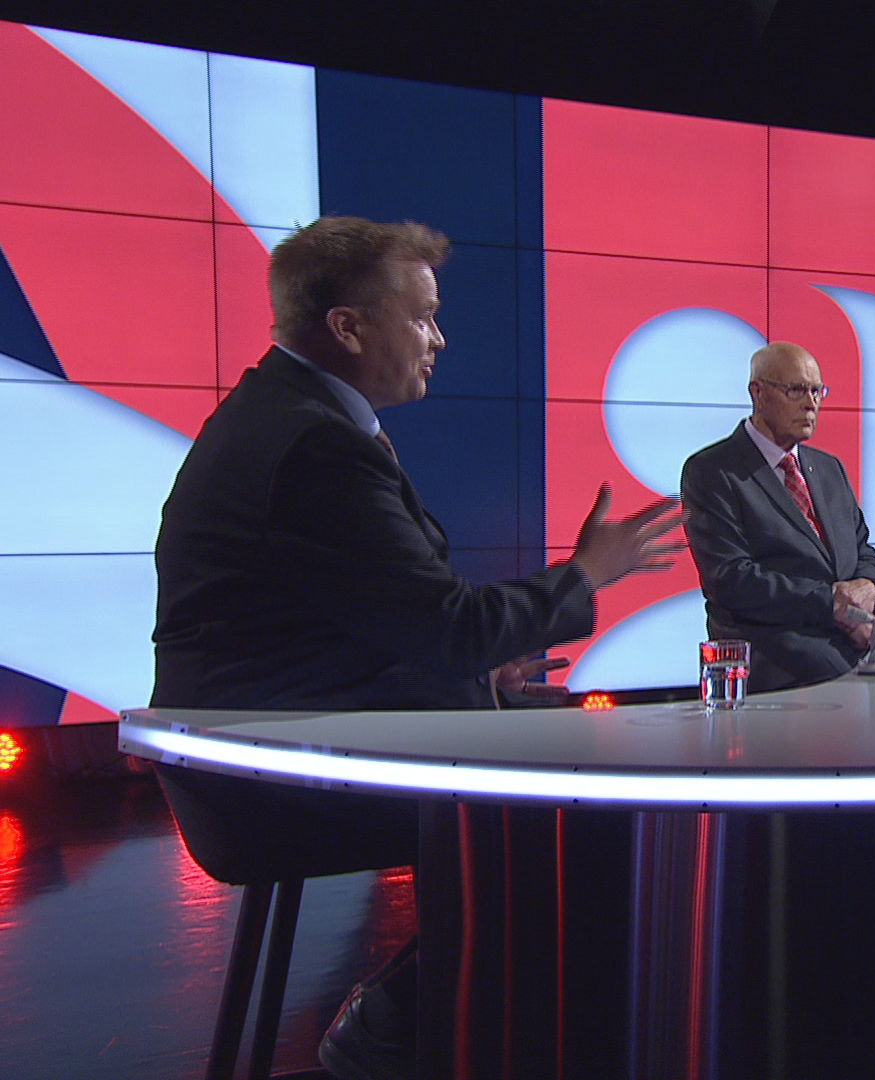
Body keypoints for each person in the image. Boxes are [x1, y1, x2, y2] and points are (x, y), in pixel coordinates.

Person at [150, 216, 684, 1080]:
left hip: (274, 747)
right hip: (272, 781)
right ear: (349, 327)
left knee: (567, 791)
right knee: (588, 813)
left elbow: (367, 621)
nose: (439, 339)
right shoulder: (314, 445)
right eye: (423, 317)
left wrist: (477, 667)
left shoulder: (291, 415)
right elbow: (448, 625)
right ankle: (403, 1025)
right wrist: (587, 573)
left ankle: (452, 1017)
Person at [680, 341, 875, 692]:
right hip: (776, 650)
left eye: (817, 391)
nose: (810, 403)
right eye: (796, 390)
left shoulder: (828, 468)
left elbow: (862, 550)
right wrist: (831, 603)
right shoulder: (714, 470)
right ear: (758, 393)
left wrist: (870, 589)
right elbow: (730, 580)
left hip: (851, 640)